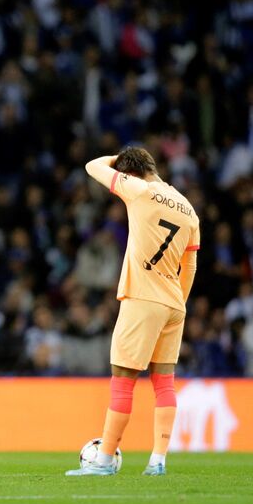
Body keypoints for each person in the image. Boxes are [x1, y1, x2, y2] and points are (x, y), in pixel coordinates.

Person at [66, 147, 200, 476]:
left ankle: (105, 460)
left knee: (123, 380)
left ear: (131, 174)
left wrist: (118, 161)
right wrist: (178, 302)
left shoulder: (138, 190)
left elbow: (91, 164)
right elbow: (191, 265)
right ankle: (158, 461)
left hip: (143, 297)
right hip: (174, 302)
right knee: (164, 382)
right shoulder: (188, 208)